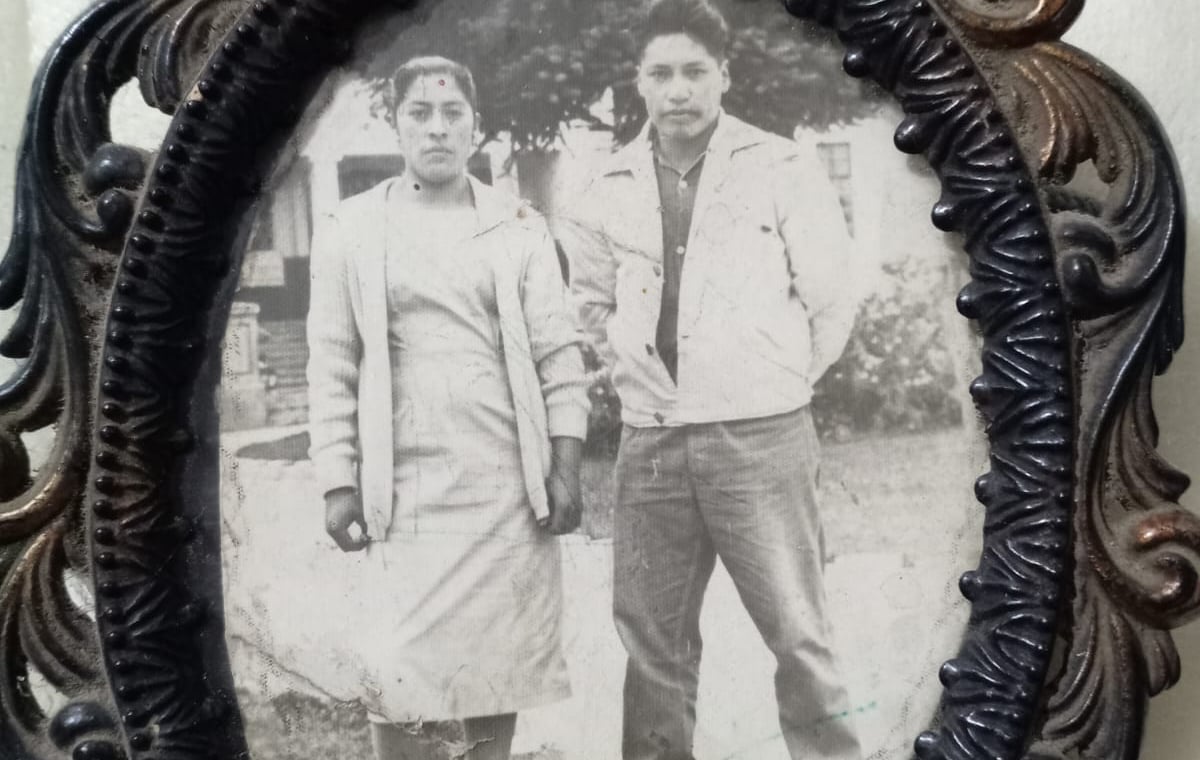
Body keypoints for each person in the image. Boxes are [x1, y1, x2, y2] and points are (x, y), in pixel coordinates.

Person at [559, 1, 863, 758]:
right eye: (661, 73)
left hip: (762, 436)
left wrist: (775, 380)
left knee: (798, 631)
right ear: (638, 81)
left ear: (724, 75)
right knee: (651, 643)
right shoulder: (605, 184)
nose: (678, 90)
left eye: (695, 71)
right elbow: (590, 303)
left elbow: (832, 298)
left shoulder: (780, 167)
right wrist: (637, 370)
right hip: (652, 445)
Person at [306, 56, 590, 760]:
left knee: (496, 667)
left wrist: (565, 467)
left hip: (503, 487)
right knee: (397, 672)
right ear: (396, 125)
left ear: (475, 126)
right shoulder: (350, 227)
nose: (437, 128)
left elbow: (559, 355)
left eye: (452, 113)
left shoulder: (518, 226)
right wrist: (338, 482)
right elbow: (332, 364)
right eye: (420, 113)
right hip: (404, 490)